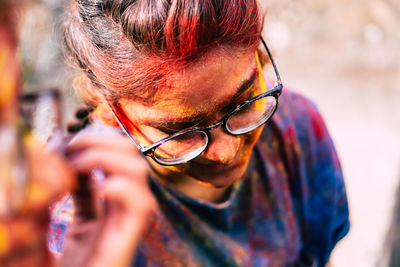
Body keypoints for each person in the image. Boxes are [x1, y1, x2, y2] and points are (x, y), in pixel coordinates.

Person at [50, 0, 350, 266]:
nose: (226, 152)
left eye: (244, 103)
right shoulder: (83, 228)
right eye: (180, 131)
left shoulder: (296, 130)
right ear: (113, 112)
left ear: (258, 55)